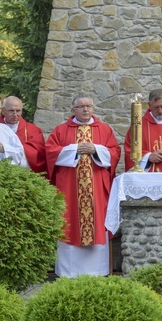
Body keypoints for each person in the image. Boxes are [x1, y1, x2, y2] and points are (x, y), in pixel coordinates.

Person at [45, 96, 120, 276]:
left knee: (97, 223)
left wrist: (96, 149)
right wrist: (74, 149)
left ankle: (98, 271)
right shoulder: (61, 130)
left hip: (96, 189)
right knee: (69, 222)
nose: (85, 110)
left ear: (93, 109)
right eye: (81, 107)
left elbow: (114, 153)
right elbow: (50, 151)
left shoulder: (104, 130)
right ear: (73, 110)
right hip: (70, 188)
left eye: (89, 106)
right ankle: (68, 272)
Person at [1, 95, 48, 180]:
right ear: (3, 111)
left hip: (25, 175)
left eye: (18, 111)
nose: (15, 114)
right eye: (11, 111)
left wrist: (7, 149)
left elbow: (39, 153)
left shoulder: (33, 130)